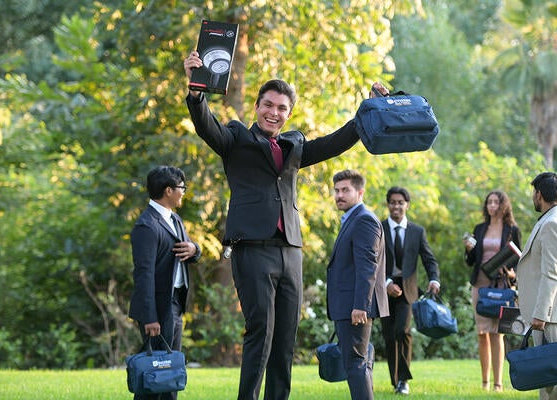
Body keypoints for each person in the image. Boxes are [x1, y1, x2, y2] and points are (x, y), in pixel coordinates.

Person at [183, 51, 389, 400]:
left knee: (285, 338)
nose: (273, 113)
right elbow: (207, 126)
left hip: (291, 250)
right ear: (258, 106)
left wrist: (368, 109)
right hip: (252, 248)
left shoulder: (295, 146)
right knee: (260, 331)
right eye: (268, 105)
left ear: (288, 113)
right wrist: (195, 91)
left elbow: (335, 142)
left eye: (281, 108)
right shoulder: (236, 140)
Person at [128, 166, 201, 400]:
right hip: (157, 308)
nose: (184, 192)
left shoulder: (174, 219)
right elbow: (144, 274)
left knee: (169, 372)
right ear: (168, 190)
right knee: (154, 375)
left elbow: (189, 248)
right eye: (181, 188)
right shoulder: (146, 226)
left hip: (175, 303)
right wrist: (150, 317)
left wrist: (195, 249)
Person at [327, 169, 389, 400]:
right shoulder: (352, 219)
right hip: (349, 305)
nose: (339, 195)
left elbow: (367, 267)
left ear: (360, 192)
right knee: (358, 363)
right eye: (336, 190)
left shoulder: (363, 220)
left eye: (345, 190)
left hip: (355, 307)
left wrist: (360, 305)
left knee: (355, 364)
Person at [380, 186, 440, 395]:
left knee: (402, 331)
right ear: (388, 204)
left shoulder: (417, 231)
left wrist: (434, 279)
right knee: (388, 336)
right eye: (393, 202)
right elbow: (372, 261)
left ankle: (404, 380)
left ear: (407, 205)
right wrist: (386, 283)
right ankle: (395, 379)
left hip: (408, 291)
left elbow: (429, 259)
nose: (396, 206)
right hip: (383, 288)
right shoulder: (378, 228)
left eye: (400, 202)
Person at [464, 190, 521, 392]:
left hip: (502, 287)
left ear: (504, 205)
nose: (492, 206)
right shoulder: (479, 229)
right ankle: (484, 382)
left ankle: (498, 384)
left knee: (498, 334)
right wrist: (468, 249)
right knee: (482, 333)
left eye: (496, 202)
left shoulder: (512, 230)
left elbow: (519, 260)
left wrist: (513, 275)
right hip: (479, 285)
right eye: (489, 202)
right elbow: (471, 262)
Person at [517, 172, 557, 400]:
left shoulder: (551, 223)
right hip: (548, 312)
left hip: (550, 316)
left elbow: (552, 272)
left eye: (533, 192)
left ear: (539, 194)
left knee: (550, 381)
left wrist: (541, 314)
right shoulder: (549, 219)